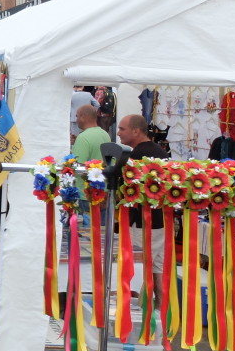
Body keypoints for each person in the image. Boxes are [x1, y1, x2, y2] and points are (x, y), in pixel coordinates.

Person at [117, 113, 167, 306]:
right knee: (157, 268)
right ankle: (162, 313)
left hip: (142, 222)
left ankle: (142, 314)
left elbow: (126, 190)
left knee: (141, 269)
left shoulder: (137, 156)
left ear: (136, 131)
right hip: (159, 220)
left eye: (122, 129)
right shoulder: (159, 151)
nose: (119, 133)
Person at [71, 103, 111, 226]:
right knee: (101, 230)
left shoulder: (83, 137)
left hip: (85, 193)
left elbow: (78, 164)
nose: (76, 120)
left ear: (83, 117)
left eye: (77, 116)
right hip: (102, 191)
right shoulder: (105, 134)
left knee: (87, 232)